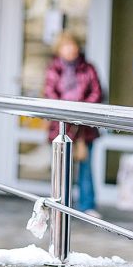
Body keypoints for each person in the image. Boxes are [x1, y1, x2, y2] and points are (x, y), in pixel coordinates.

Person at [43, 32, 104, 216]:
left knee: (86, 168)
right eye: (65, 46)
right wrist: (65, 112)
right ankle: (61, 206)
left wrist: (80, 111)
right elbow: (49, 94)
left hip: (84, 129)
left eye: (72, 45)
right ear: (59, 49)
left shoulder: (88, 68)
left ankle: (87, 205)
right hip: (61, 128)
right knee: (61, 169)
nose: (70, 49)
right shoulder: (53, 69)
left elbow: (97, 93)